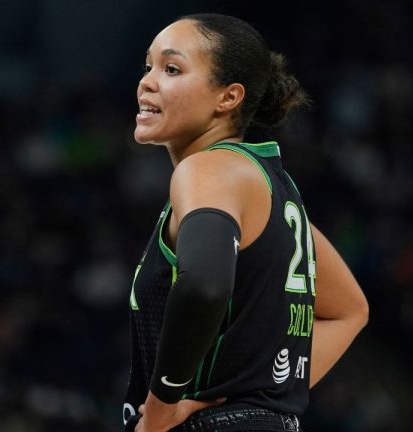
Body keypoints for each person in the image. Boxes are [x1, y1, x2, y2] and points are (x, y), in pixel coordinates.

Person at [123, 13, 369, 432]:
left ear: (228, 97)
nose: (147, 81)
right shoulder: (270, 188)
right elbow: (349, 311)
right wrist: (259, 396)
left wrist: (162, 407)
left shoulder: (208, 171)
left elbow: (204, 285)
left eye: (172, 68)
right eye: (148, 66)